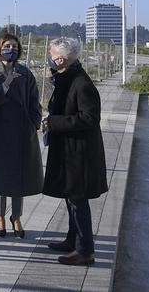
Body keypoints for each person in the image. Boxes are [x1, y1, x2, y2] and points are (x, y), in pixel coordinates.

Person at [42, 37, 108, 266]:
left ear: (60, 59)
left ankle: (85, 250)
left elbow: (89, 118)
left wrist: (55, 122)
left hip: (79, 152)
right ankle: (72, 240)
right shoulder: (67, 77)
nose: (49, 58)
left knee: (78, 201)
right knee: (71, 198)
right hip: (70, 149)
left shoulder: (81, 83)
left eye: (51, 54)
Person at [0, 32, 43, 239]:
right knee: (0, 177)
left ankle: (16, 217)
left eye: (15, 46)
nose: (11, 49)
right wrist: (5, 85)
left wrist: (34, 122)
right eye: (7, 45)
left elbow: (35, 100)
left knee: (19, 176)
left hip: (22, 132)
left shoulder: (25, 72)